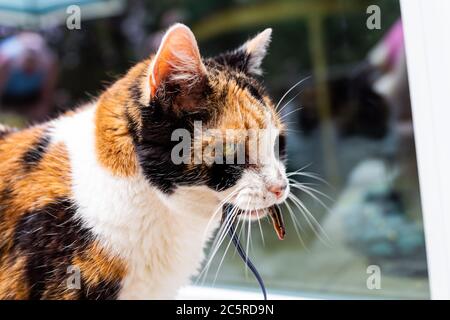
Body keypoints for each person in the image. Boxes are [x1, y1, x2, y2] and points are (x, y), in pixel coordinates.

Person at [0, 32, 58, 122]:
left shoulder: (50, 64)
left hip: (30, 95)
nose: (30, 68)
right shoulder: (6, 62)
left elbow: (46, 96)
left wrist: (41, 111)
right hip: (7, 93)